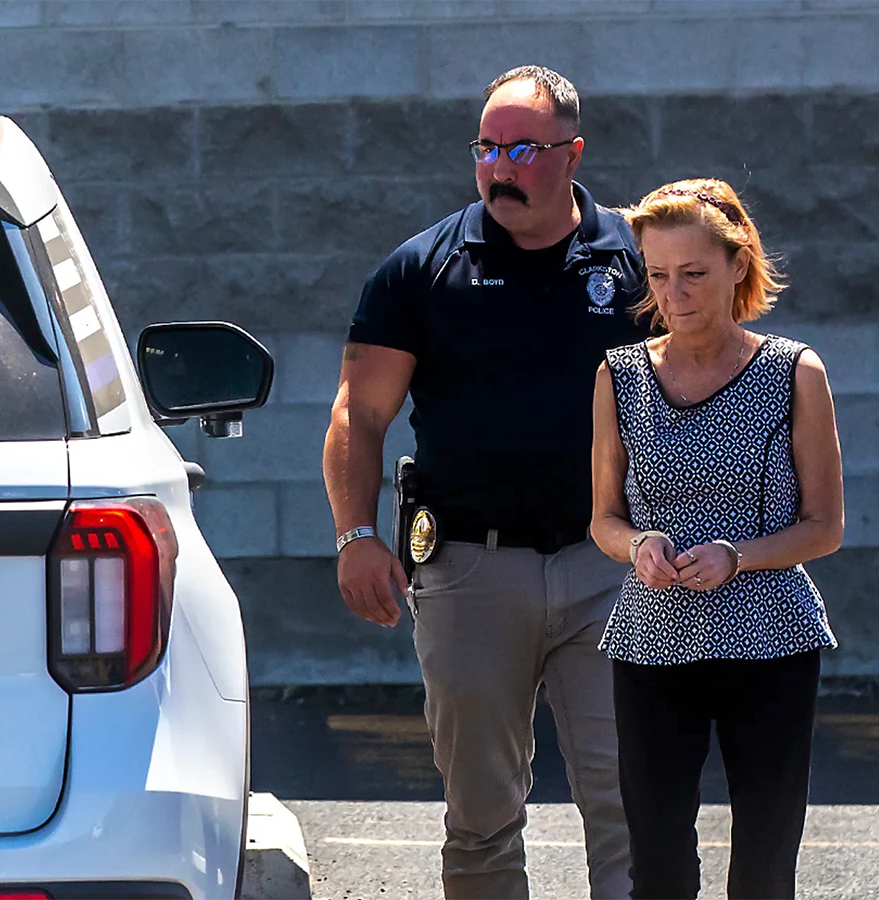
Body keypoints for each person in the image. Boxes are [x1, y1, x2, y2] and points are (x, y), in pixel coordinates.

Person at [323, 65, 649, 900]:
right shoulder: (422, 271)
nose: (501, 166)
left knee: (631, 803)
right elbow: (358, 416)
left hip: (609, 567)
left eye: (523, 148)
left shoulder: (637, 260)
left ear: (572, 154)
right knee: (481, 812)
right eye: (487, 148)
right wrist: (357, 537)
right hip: (470, 568)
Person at [589, 178, 843, 899]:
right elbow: (602, 518)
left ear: (739, 265)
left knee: (764, 865)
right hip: (653, 638)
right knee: (659, 864)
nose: (674, 294)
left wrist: (739, 556)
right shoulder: (619, 374)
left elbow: (825, 528)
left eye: (694, 274)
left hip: (772, 638)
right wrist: (636, 546)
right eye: (659, 275)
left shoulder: (794, 371)